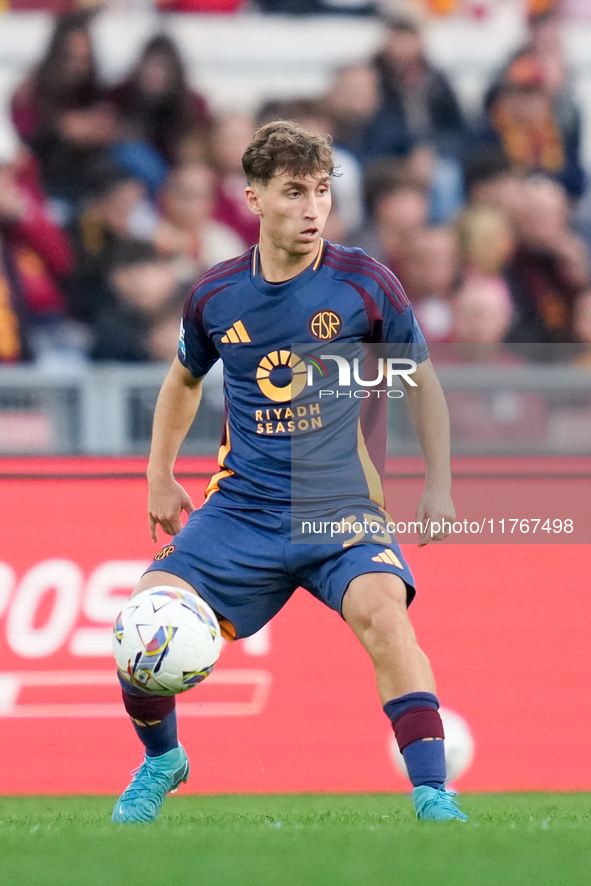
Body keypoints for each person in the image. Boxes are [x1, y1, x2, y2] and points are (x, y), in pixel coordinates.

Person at [111, 121, 468, 824]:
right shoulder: (216, 295)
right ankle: (162, 761)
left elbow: (420, 381)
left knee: (383, 616)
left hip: (339, 508)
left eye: (322, 192)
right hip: (240, 509)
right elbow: (183, 380)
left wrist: (438, 481)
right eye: (294, 192)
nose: (312, 208)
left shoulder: (364, 283)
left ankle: (432, 795)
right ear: (254, 197)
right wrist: (160, 473)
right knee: (141, 625)